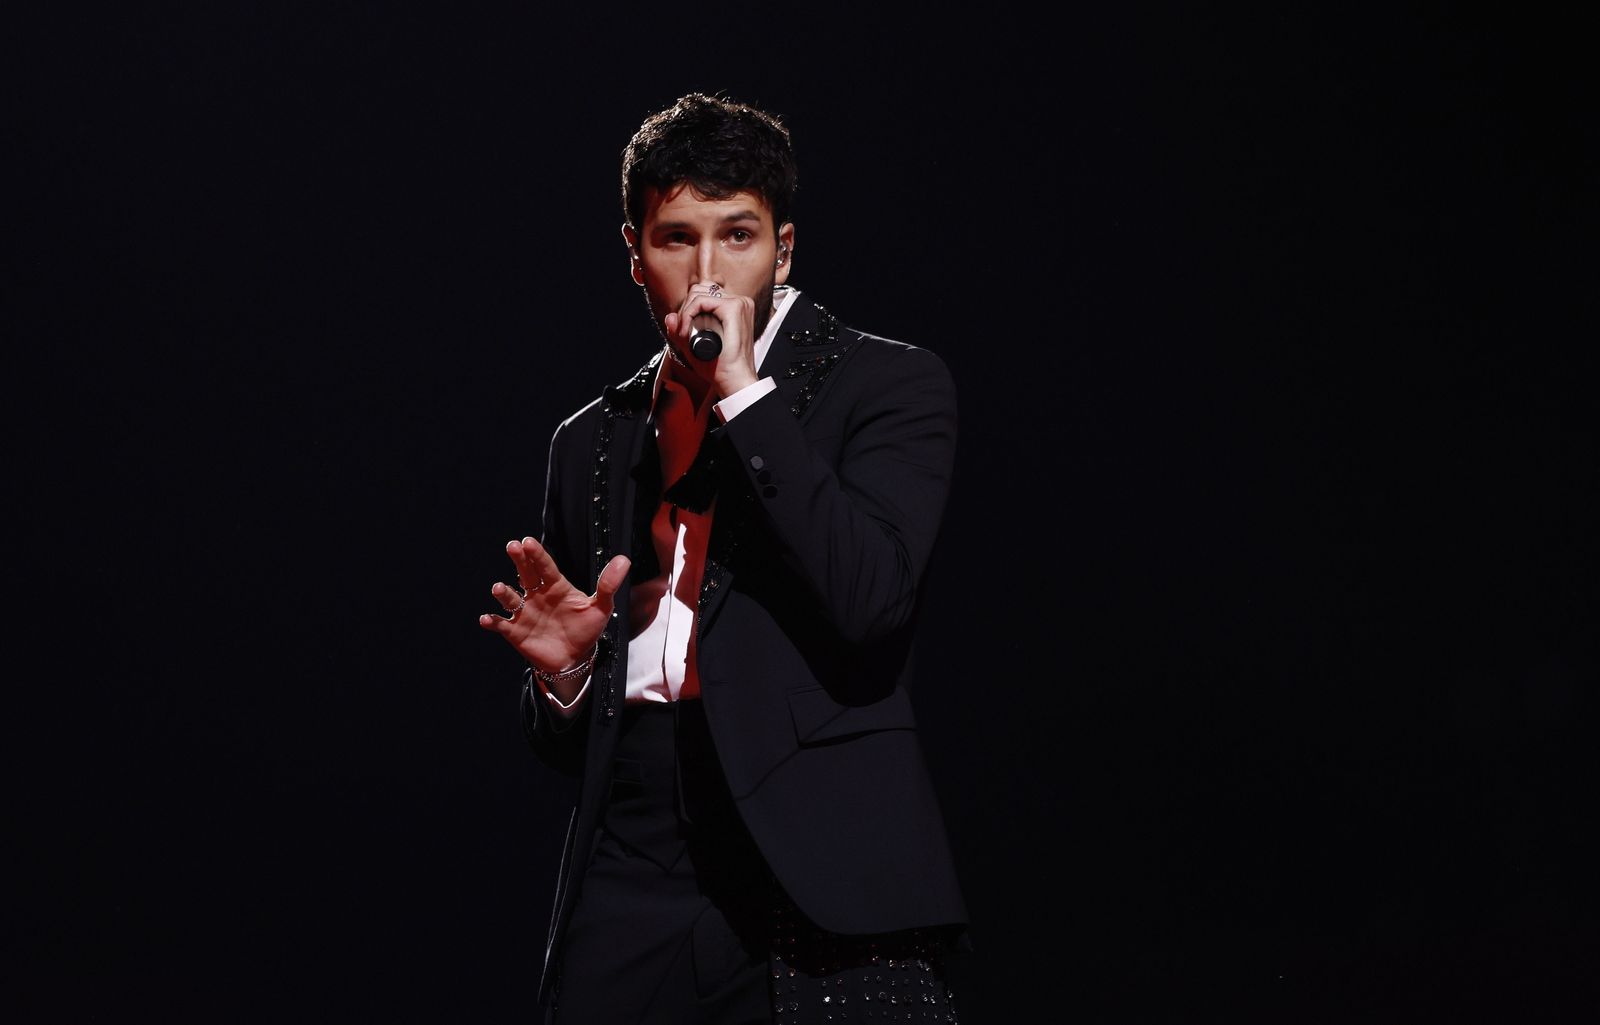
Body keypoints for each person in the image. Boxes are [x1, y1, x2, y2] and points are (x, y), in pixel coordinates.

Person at [479, 92, 968, 1025]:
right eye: (677, 238)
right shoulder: (589, 439)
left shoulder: (888, 385)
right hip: (636, 854)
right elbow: (562, 741)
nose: (707, 270)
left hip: (816, 843)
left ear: (783, 249)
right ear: (635, 257)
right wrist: (574, 675)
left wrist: (746, 396)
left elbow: (870, 602)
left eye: (737, 234)